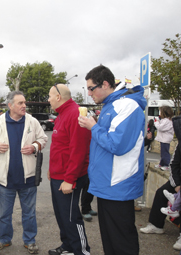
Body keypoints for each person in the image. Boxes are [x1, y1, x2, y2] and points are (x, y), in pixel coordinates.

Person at [78, 65, 146, 255]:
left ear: (105, 84)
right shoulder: (112, 104)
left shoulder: (126, 105)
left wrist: (94, 127)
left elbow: (117, 145)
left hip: (118, 183)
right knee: (110, 240)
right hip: (108, 183)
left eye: (91, 88)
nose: (89, 93)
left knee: (122, 241)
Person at [0, 91, 48, 254]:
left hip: (29, 178)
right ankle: (4, 239)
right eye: (20, 103)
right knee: (4, 214)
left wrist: (34, 146)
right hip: (6, 179)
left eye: (24, 103)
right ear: (10, 105)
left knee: (30, 214)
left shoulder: (32, 121)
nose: (24, 105)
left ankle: (30, 241)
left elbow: (43, 139)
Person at [47, 84, 91, 255]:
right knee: (62, 215)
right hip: (59, 175)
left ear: (58, 97)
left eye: (50, 96)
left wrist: (70, 179)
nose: (48, 99)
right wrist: (52, 170)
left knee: (71, 217)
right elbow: (60, 146)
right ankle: (68, 247)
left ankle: (81, 251)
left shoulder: (75, 113)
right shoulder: (62, 114)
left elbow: (78, 151)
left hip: (69, 178)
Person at [140, 115, 181, 251]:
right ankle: (156, 225)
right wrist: (177, 185)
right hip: (179, 181)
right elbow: (174, 165)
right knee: (160, 193)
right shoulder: (180, 145)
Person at [154, 106, 174, 170]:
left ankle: (166, 164)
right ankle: (161, 163)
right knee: (163, 152)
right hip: (164, 138)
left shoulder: (167, 121)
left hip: (165, 139)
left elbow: (161, 128)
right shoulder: (166, 120)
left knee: (165, 152)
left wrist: (156, 122)